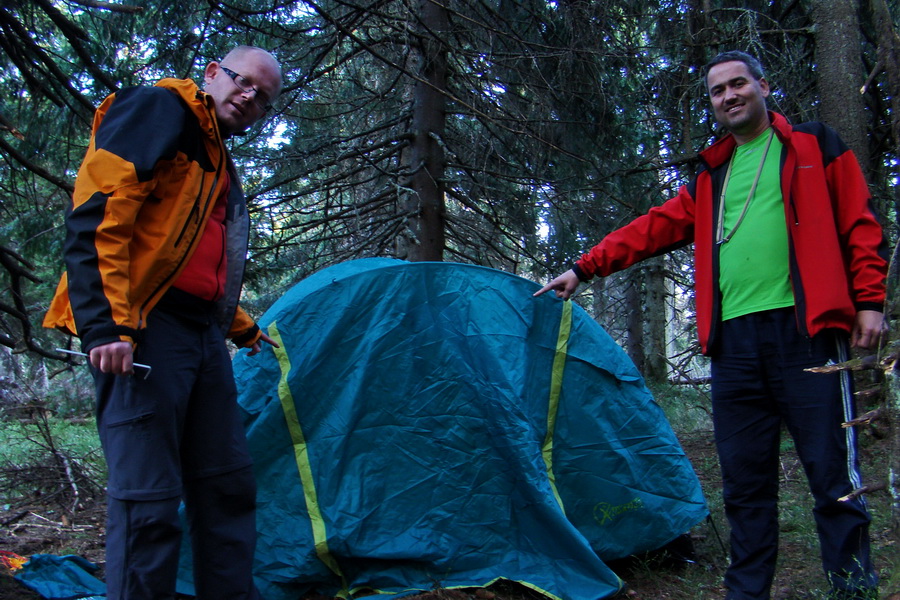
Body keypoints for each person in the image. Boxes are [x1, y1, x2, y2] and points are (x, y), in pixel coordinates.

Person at [534, 50, 886, 600]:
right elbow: (652, 229)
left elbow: (860, 222)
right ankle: (746, 592)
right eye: (718, 91)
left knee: (832, 475)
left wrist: (869, 301)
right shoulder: (712, 176)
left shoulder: (815, 146)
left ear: (762, 87)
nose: (729, 96)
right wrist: (583, 267)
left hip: (809, 334)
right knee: (745, 483)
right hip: (734, 346)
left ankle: (852, 588)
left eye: (738, 83)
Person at [43, 46, 282, 599]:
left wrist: (240, 325)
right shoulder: (159, 111)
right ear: (213, 74)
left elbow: (186, 253)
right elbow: (99, 215)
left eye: (263, 98)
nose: (250, 98)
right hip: (142, 329)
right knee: (148, 499)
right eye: (244, 83)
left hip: (199, 334)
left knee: (226, 485)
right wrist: (106, 326)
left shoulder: (215, 153)